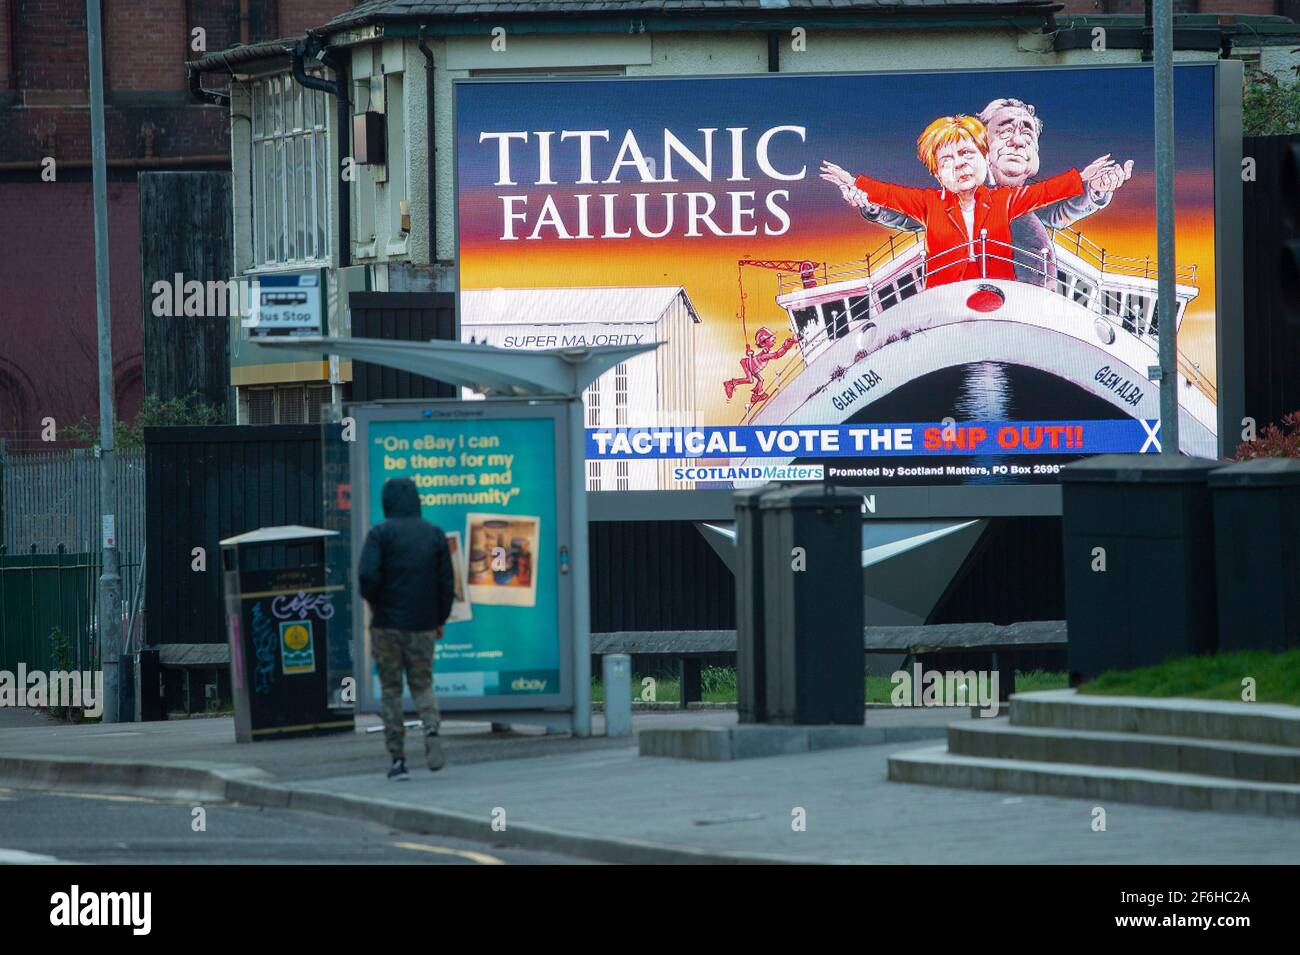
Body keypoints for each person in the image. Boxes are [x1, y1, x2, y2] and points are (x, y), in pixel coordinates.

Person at [845, 98, 1134, 286]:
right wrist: (870, 204)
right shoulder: (951, 197)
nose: (1018, 142)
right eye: (1006, 131)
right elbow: (903, 213)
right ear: (982, 146)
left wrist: (1094, 191)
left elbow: (1062, 209)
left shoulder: (1025, 199)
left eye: (1028, 133)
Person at [358, 476, 455, 781]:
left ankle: (398, 759)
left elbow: (367, 578)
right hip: (424, 626)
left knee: (391, 690)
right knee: (423, 684)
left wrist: (378, 603)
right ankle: (431, 729)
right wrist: (439, 618)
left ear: (387, 502)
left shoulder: (380, 534)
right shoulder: (434, 535)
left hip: (387, 625)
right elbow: (446, 584)